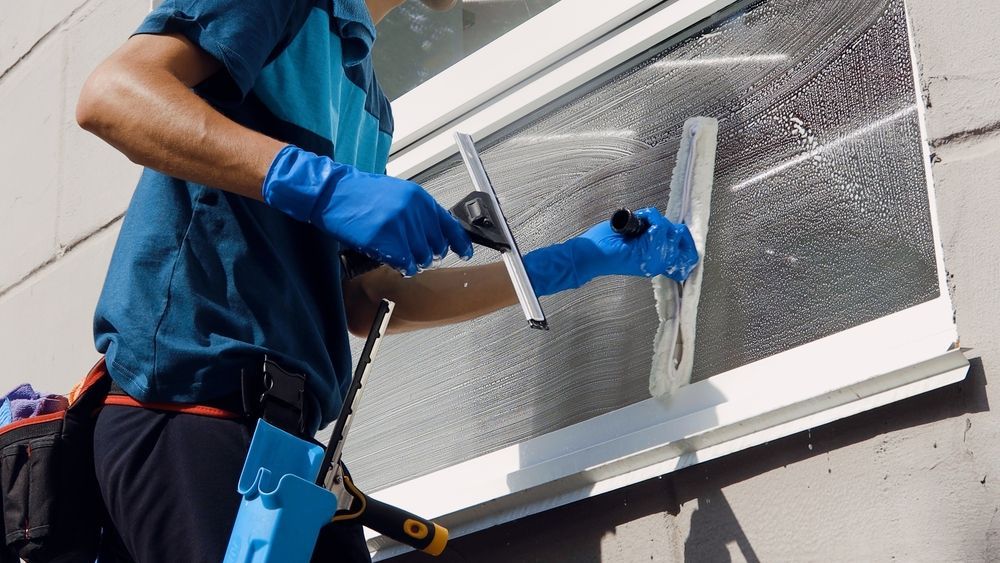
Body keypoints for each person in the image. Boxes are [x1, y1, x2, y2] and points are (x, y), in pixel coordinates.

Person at [75, 0, 698, 561]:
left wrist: (566, 263)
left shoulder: (370, 103)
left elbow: (363, 302)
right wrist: (326, 186)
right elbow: (114, 95)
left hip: (291, 448)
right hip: (188, 410)